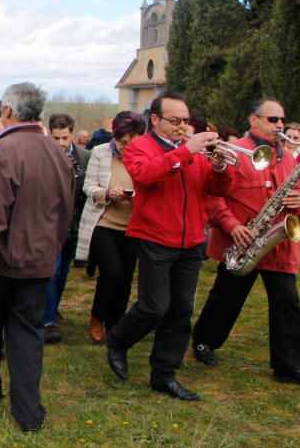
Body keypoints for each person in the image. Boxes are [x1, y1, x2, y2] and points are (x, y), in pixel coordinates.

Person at [0, 83, 74, 433]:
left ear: (7, 112)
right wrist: (52, 247)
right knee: (26, 335)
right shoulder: (56, 151)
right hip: (38, 262)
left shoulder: (3, 151)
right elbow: (66, 212)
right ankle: (26, 410)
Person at [105, 92, 236, 402]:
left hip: (191, 240)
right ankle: (119, 339)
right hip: (154, 237)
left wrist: (219, 168)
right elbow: (145, 176)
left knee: (181, 309)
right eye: (175, 121)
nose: (181, 126)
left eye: (185, 121)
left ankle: (164, 374)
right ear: (155, 120)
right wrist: (186, 151)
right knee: (154, 306)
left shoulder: (193, 152)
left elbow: (218, 189)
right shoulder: (140, 147)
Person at [192, 98, 300, 383]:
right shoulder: (235, 150)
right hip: (241, 241)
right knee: (226, 297)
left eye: (281, 121)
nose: (279, 126)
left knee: (288, 304)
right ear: (253, 120)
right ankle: (204, 341)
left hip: (278, 244)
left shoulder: (288, 157)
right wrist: (232, 225)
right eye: (272, 120)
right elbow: (213, 195)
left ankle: (288, 366)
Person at [74, 111, 146, 343]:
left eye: (132, 142)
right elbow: (88, 187)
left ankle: (115, 323)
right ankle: (97, 317)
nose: (127, 147)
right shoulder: (100, 152)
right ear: (115, 137)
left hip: (132, 226)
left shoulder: (145, 156)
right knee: (112, 273)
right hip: (103, 222)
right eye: (122, 142)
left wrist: (140, 197)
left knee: (125, 278)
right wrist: (107, 193)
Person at [42, 113, 90, 344]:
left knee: (63, 272)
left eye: (64, 137)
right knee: (52, 270)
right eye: (55, 138)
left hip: (74, 225)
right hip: (50, 227)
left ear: (72, 134)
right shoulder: (42, 158)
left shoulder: (85, 158)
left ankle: (53, 309)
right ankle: (46, 322)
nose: (60, 143)